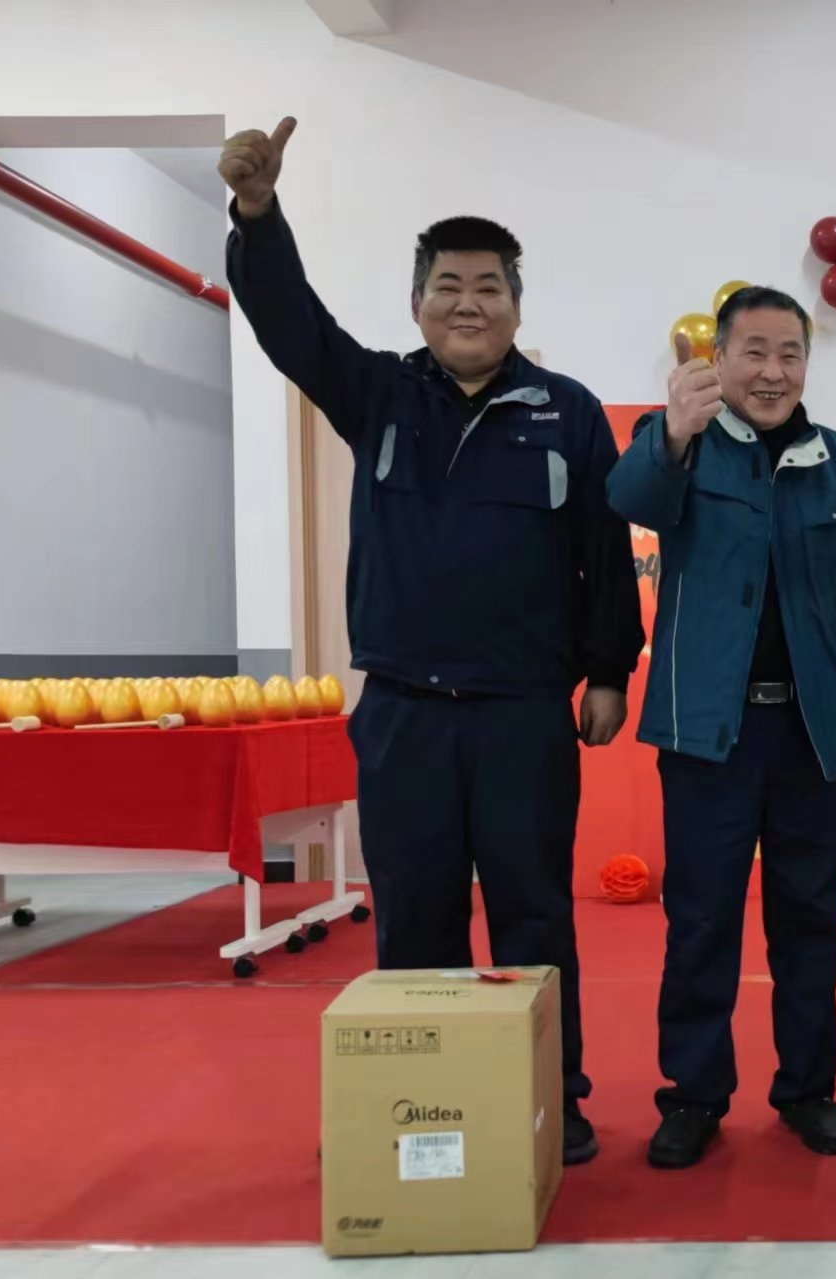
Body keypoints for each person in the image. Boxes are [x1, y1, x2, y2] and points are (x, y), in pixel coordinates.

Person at [218, 118, 643, 1166]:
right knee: (415, 915)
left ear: (516, 306)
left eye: (488, 286)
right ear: (417, 303)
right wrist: (259, 217)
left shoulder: (566, 412)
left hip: (520, 714)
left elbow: (603, 548)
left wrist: (607, 670)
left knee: (534, 915)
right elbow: (289, 325)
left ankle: (552, 1095)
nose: (468, 303)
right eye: (448, 285)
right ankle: (428, 1096)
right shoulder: (380, 394)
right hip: (404, 711)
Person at [609, 287, 836, 1170]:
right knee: (700, 921)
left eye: (790, 353)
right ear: (720, 358)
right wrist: (671, 430)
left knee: (808, 920)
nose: (772, 371)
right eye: (754, 352)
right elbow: (630, 498)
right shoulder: (679, 442)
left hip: (812, 733)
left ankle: (808, 1089)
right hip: (709, 734)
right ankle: (693, 1095)